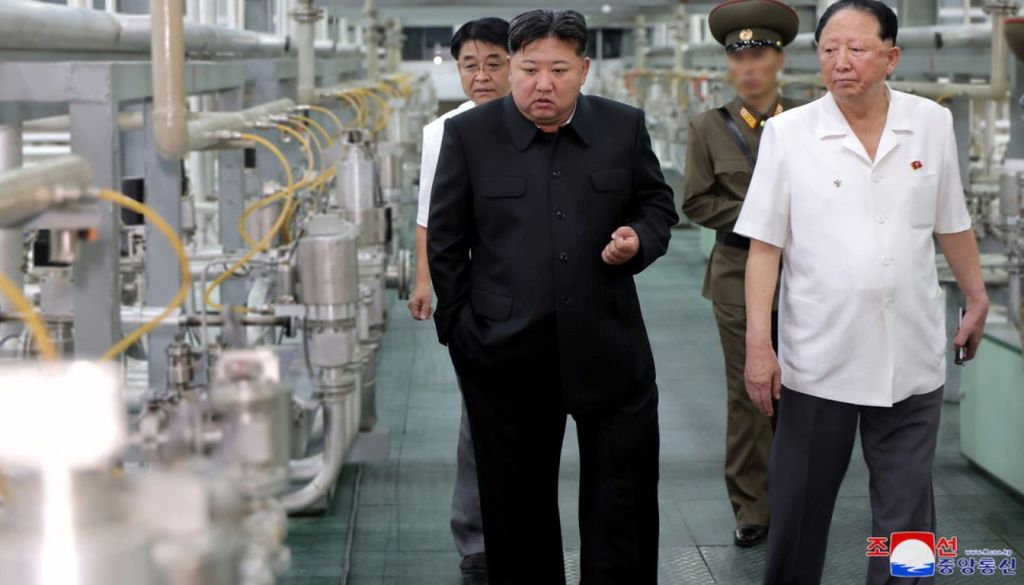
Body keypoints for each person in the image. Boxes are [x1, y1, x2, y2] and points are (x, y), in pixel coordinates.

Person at [734, 1, 989, 583]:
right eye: (829, 50)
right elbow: (765, 248)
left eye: (856, 49)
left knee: (907, 519)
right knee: (799, 509)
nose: (840, 62)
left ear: (891, 57)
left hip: (911, 352)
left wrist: (976, 297)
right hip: (820, 355)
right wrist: (758, 345)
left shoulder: (930, 123)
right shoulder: (789, 133)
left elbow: (951, 221)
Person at [427, 9, 678, 584]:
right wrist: (461, 333)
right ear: (513, 68)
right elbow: (446, 239)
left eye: (559, 70)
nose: (543, 84)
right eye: (530, 69)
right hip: (505, 355)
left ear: (584, 70)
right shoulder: (469, 136)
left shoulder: (622, 127)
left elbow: (657, 205)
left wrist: (639, 238)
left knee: (623, 503)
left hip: (609, 348)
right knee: (516, 510)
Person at [681, 0, 802, 549]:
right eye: (739, 57)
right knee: (750, 394)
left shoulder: (809, 122)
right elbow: (696, 202)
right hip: (735, 277)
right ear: (729, 65)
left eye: (760, 55)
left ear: (779, 61)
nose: (749, 67)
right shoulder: (708, 128)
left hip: (805, 279)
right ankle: (753, 505)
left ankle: (797, 497)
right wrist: (761, 218)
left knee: (804, 392)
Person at [407, 17, 511, 584]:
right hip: (474, 294)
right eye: (470, 65)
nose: (482, 75)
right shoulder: (441, 132)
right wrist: (424, 280)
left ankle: (520, 532)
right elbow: (430, 215)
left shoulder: (535, 120)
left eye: (494, 63)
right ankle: (475, 535)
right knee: (479, 414)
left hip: (532, 287)